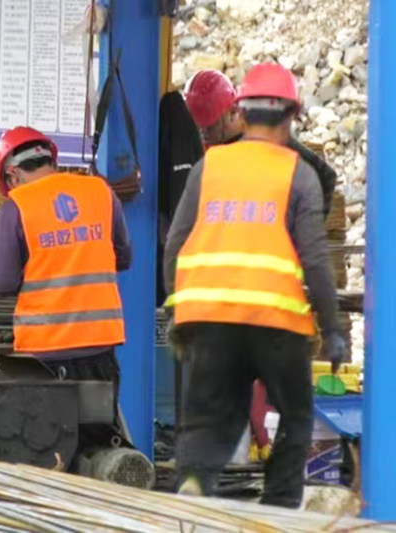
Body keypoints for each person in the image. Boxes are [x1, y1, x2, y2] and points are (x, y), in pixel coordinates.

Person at [164, 63, 348, 508]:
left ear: (240, 114)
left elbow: (175, 244)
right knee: (298, 416)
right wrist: (333, 330)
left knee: (210, 422)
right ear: (290, 118)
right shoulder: (297, 174)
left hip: (209, 319)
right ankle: (278, 508)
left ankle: (192, 488)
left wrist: (178, 314)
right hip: (274, 321)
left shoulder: (210, 166)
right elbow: (317, 262)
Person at [0, 126, 132, 451]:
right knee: (97, 447)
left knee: (45, 450)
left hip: (44, 356)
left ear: (12, 174)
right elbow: (123, 257)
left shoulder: (17, 206)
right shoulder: (100, 191)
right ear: (50, 159)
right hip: (99, 348)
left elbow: (3, 282)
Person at [184, 69, 338, 219]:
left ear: (232, 112)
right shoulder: (208, 145)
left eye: (209, 127)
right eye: (198, 128)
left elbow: (325, 177)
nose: (202, 134)